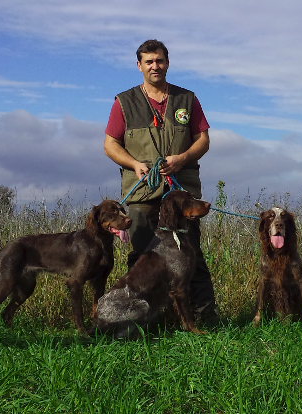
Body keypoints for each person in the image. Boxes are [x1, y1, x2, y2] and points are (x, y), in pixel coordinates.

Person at [104, 39, 220, 327]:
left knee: (192, 254)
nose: (155, 66)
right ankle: (143, 319)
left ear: (167, 63)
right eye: (149, 61)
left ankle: (205, 317)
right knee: (143, 256)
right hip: (143, 191)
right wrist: (134, 164)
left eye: (160, 60)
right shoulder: (124, 101)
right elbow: (110, 144)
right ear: (139, 65)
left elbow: (203, 139)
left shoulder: (187, 99)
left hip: (182, 193)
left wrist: (182, 159)